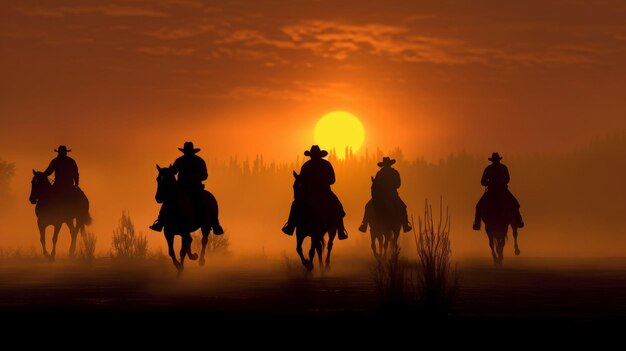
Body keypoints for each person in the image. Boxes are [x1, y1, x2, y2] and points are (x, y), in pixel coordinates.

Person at [150, 142, 224, 234]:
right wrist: (166, 172)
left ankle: (212, 223)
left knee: (201, 203)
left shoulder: (198, 161)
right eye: (187, 152)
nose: (187, 153)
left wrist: (193, 177)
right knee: (168, 201)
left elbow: (204, 176)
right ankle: (160, 221)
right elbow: (173, 172)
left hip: (195, 188)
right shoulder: (182, 161)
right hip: (181, 188)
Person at [282, 145, 348, 240]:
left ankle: (340, 230)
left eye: (315, 155)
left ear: (318, 155)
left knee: (337, 205)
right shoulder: (307, 166)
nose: (313, 157)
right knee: (295, 204)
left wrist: (322, 182)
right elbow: (301, 180)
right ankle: (290, 226)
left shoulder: (324, 165)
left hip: (324, 192)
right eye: (312, 155)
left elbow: (332, 179)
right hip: (310, 193)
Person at [358, 157, 412, 233]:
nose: (387, 166)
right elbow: (398, 184)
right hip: (389, 195)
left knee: (368, 206)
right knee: (402, 207)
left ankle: (364, 225)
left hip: (387, 195)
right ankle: (405, 225)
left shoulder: (382, 173)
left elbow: (397, 184)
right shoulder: (390, 173)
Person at [473, 152, 524, 230]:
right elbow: (507, 179)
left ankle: (477, 223)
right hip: (499, 190)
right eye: (495, 160)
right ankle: (518, 221)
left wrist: (489, 182)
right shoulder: (502, 167)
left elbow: (483, 181)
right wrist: (496, 182)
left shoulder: (489, 168)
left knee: (479, 206)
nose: (496, 162)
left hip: (495, 190)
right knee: (514, 203)